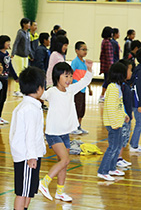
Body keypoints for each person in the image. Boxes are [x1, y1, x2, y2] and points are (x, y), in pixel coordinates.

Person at [39, 61, 93, 202]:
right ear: (57, 77)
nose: (69, 79)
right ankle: (44, 182)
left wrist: (89, 69)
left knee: (63, 163)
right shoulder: (52, 92)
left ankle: (60, 192)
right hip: (53, 133)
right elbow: (40, 94)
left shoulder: (70, 90)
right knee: (65, 159)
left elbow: (85, 81)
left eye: (70, 76)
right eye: (66, 76)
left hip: (65, 133)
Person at [9, 66, 46, 210]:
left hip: (31, 154)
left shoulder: (28, 106)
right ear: (39, 88)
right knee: (22, 193)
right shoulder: (29, 109)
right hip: (27, 157)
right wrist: (31, 157)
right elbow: (29, 135)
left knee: (28, 191)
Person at [97, 62, 129, 181]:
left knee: (117, 146)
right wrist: (115, 123)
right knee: (112, 147)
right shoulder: (112, 88)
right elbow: (110, 107)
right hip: (113, 124)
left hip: (118, 122)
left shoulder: (117, 87)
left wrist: (124, 115)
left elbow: (118, 105)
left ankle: (111, 168)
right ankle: (102, 171)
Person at [0, 36, 18, 125]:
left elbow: (10, 66)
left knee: (3, 98)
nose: (9, 43)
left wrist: (15, 77)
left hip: (5, 78)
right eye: (7, 42)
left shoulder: (7, 53)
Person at [71, 41, 92, 135]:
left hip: (83, 89)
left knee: (81, 109)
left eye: (86, 49)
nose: (85, 51)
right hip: (76, 90)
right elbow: (70, 75)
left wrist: (90, 88)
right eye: (83, 49)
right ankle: (73, 127)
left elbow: (87, 77)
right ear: (76, 50)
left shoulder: (85, 63)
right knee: (76, 108)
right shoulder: (75, 62)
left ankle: (79, 126)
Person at [116, 59, 133, 168]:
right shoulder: (120, 87)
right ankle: (117, 158)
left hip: (127, 117)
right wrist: (124, 115)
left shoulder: (126, 85)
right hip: (123, 118)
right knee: (121, 139)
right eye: (130, 70)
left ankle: (120, 157)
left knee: (125, 138)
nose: (131, 72)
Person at [11, 18, 32, 97]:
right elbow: (16, 43)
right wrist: (13, 53)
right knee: (19, 72)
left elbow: (28, 46)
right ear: (24, 24)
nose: (29, 25)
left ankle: (22, 89)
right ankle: (16, 90)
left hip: (25, 56)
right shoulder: (20, 33)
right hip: (19, 55)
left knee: (25, 73)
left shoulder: (28, 33)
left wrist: (31, 55)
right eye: (28, 23)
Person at [98, 26, 114, 102]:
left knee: (107, 80)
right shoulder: (107, 42)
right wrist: (111, 66)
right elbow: (109, 55)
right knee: (107, 81)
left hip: (106, 66)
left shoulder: (104, 41)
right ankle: (102, 95)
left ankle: (104, 95)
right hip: (108, 66)